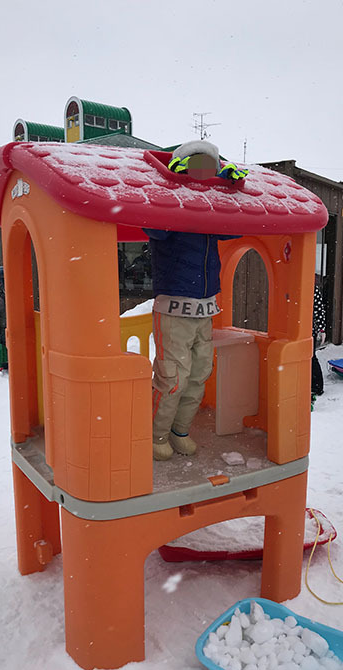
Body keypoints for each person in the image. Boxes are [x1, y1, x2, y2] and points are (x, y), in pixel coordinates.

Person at [143, 140, 247, 461]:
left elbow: (234, 228)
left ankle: (179, 431)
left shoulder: (209, 214)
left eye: (210, 166)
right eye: (196, 166)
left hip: (204, 308)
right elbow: (152, 225)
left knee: (200, 374)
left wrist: (228, 187)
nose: (203, 173)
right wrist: (175, 190)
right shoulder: (171, 208)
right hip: (174, 307)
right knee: (173, 378)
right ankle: (155, 434)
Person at [312, 278, 326, 399]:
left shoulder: (313, 289)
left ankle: (317, 386)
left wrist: (321, 329)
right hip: (297, 328)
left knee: (311, 357)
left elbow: (319, 310)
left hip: (309, 329)